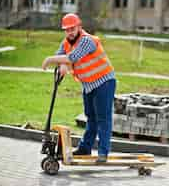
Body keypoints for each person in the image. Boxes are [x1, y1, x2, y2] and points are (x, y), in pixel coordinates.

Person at [42, 13, 116, 163]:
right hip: (88, 85)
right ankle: (85, 148)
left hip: (104, 82)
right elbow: (61, 55)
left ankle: (103, 153)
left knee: (103, 118)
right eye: (67, 29)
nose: (70, 32)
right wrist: (62, 65)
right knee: (91, 117)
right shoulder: (66, 42)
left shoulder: (87, 41)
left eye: (72, 28)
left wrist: (50, 60)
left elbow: (71, 57)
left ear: (79, 27)